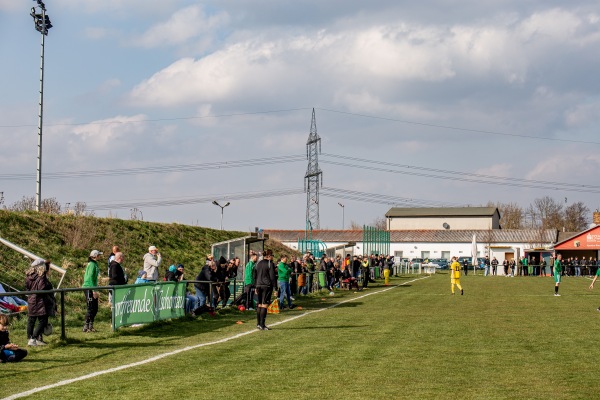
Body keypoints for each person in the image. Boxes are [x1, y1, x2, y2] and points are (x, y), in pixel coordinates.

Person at [25, 259, 54, 346]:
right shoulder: (41, 276)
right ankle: (34, 338)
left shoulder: (29, 276)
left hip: (31, 300)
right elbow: (41, 288)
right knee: (43, 320)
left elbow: (27, 288)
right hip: (40, 301)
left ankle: (30, 338)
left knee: (31, 320)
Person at [253, 249, 276, 330]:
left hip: (258, 285)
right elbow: (272, 277)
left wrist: (255, 286)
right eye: (272, 255)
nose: (273, 257)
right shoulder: (270, 264)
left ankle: (258, 324)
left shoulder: (258, 263)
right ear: (269, 256)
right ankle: (262, 325)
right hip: (266, 286)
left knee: (259, 304)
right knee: (264, 305)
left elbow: (255, 275)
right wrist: (275, 288)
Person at [82, 250, 102, 333]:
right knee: (90, 307)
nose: (100, 256)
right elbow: (89, 278)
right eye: (99, 255)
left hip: (93, 288)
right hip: (88, 288)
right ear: (95, 256)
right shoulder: (91, 265)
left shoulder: (95, 264)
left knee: (95, 308)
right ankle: (86, 326)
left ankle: (91, 325)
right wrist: (93, 290)